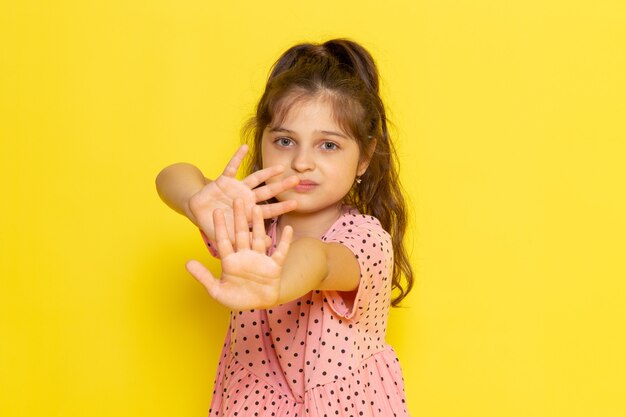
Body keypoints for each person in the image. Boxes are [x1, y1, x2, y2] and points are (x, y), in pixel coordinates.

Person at [156, 38, 414, 417]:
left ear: (364, 159)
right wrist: (199, 202)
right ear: (262, 142)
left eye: (328, 145)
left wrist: (278, 284)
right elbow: (170, 176)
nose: (302, 162)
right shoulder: (251, 224)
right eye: (285, 141)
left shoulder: (365, 238)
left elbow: (318, 260)